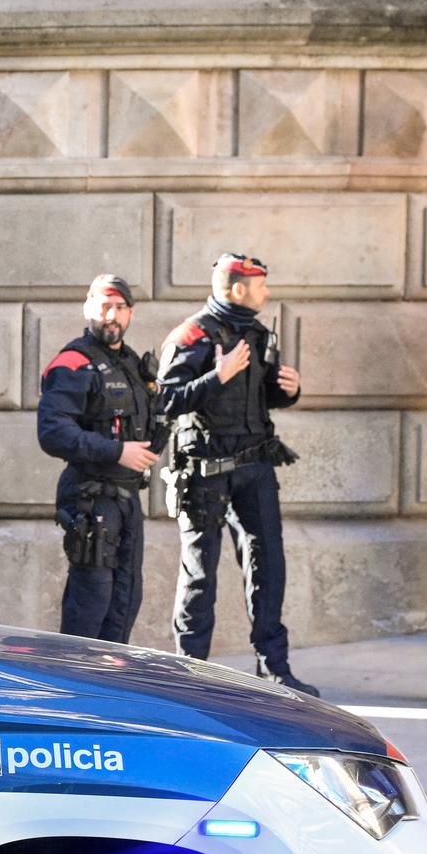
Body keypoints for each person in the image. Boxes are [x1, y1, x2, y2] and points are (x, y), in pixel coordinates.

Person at [156, 253, 317, 696]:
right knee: (199, 572)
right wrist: (216, 376)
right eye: (260, 285)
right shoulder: (192, 334)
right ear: (237, 288)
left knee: (269, 566)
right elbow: (165, 401)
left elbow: (263, 398)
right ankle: (192, 675)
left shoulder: (258, 332)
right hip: (204, 471)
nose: (267, 293)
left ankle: (275, 670)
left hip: (255, 467)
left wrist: (288, 391)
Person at [35, 274, 156, 643]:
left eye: (119, 307)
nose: (111, 315)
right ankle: (72, 690)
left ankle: (111, 689)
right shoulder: (72, 362)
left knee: (125, 600)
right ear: (88, 308)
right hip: (91, 500)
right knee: (91, 604)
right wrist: (118, 451)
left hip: (127, 499)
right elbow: (52, 432)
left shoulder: (132, 364)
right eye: (104, 305)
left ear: (130, 314)